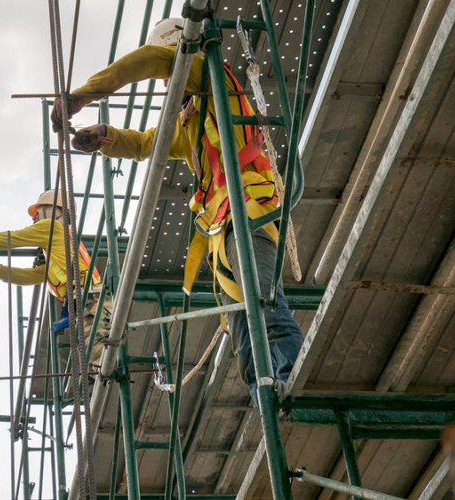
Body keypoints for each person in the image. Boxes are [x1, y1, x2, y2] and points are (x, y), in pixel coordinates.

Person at [51, 18, 303, 404]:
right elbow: (147, 143)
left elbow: (154, 59)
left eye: (169, 75)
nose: (167, 85)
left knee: (263, 302)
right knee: (241, 321)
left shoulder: (213, 78)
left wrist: (87, 93)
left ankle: (290, 378)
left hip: (251, 208)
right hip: (223, 225)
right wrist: (103, 136)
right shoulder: (190, 120)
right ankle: (265, 395)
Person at [0, 190, 113, 366]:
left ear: (52, 210)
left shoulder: (52, 227)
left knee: (100, 365)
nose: (33, 219)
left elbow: (10, 239)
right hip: (88, 304)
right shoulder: (59, 252)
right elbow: (22, 277)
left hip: (91, 303)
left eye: (36, 212)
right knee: (98, 365)